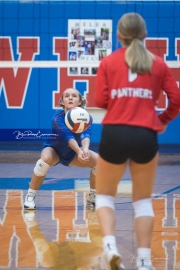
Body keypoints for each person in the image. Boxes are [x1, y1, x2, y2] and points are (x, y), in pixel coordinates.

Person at [94, 13, 180, 270]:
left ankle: (110, 247)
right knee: (142, 200)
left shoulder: (108, 62)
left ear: (118, 36)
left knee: (105, 196)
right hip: (145, 134)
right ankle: (143, 261)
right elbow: (176, 100)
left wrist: (122, 102)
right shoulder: (159, 63)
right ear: (145, 35)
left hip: (115, 133)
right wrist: (162, 120)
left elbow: (99, 101)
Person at [24, 88, 97, 210]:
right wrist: (79, 151)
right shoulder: (57, 117)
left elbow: (86, 135)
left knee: (100, 163)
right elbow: (67, 136)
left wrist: (85, 149)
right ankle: (30, 196)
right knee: (44, 159)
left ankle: (92, 198)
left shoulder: (87, 117)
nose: (70, 98)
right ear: (62, 101)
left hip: (72, 153)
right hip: (54, 151)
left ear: (80, 101)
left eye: (74, 96)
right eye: (66, 96)